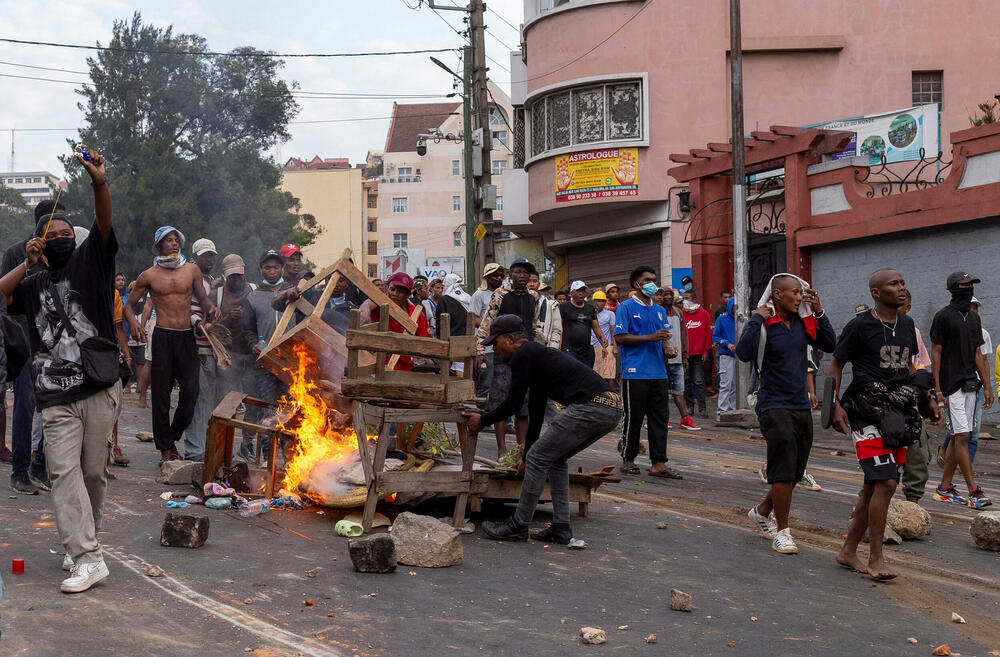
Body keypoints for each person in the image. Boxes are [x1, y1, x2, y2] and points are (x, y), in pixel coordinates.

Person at [0, 148, 124, 593]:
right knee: (62, 471)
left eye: (65, 231)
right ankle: (88, 557)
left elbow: (105, 225)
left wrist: (98, 182)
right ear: (38, 242)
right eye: (51, 234)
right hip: (54, 394)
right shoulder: (32, 283)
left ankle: (81, 544)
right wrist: (27, 263)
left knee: (93, 473)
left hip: (98, 386)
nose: (60, 236)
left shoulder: (92, 262)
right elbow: (1, 292)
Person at [467, 315, 621, 543]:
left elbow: (512, 403)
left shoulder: (523, 354)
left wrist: (483, 420)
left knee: (539, 457)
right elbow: (535, 411)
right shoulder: (537, 357)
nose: (495, 350)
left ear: (510, 339)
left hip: (591, 406)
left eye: (495, 343)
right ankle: (560, 527)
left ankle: (518, 525)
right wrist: (526, 456)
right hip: (612, 408)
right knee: (553, 459)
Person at [829, 269, 941, 579]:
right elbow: (837, 363)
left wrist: (926, 398)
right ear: (877, 293)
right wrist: (834, 404)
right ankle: (876, 557)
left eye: (903, 282)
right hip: (864, 412)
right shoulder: (860, 326)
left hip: (898, 415)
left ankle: (848, 551)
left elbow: (910, 367)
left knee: (872, 487)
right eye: (894, 284)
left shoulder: (907, 325)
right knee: (887, 483)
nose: (902, 288)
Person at [736, 274, 835, 555]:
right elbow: (743, 354)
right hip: (772, 404)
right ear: (777, 294)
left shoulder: (803, 324)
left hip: (800, 405)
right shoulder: (765, 324)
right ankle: (783, 532)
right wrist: (755, 318)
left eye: (801, 293)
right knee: (781, 469)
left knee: (793, 472)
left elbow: (830, 344)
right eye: (794, 292)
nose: (799, 297)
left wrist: (819, 311)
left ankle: (762, 511)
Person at [126, 227, 221, 464]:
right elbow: (128, 305)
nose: (174, 244)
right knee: (161, 395)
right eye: (168, 240)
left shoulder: (191, 270)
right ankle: (166, 449)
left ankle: (170, 436)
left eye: (177, 240)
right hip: (162, 337)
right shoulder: (148, 275)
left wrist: (211, 309)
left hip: (185, 337)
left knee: (190, 392)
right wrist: (135, 324)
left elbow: (203, 298)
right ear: (158, 246)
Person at [1, 200, 63, 493]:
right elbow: (5, 299)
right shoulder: (17, 252)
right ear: (41, 226)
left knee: (54, 404)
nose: (61, 233)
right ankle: (20, 471)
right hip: (26, 339)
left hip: (59, 341)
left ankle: (41, 467)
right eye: (55, 226)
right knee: (26, 404)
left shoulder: (65, 255)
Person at [930, 272, 994, 508]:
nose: (968, 288)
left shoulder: (975, 319)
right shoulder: (943, 317)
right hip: (951, 386)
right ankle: (974, 491)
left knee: (960, 437)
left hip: (971, 384)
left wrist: (987, 386)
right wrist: (937, 388)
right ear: (953, 289)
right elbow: (935, 352)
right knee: (963, 437)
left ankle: (944, 488)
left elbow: (979, 355)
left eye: (971, 285)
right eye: (964, 285)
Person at [614, 265, 680, 478]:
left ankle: (659, 463)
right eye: (648, 280)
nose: (653, 283)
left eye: (654, 279)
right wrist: (650, 338)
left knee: (660, 419)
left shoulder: (660, 311)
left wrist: (668, 349)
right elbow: (621, 338)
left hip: (659, 373)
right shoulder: (625, 307)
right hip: (635, 372)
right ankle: (628, 458)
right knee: (634, 418)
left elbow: (663, 339)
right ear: (636, 284)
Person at [476, 258, 542, 457]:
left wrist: (540, 349)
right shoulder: (500, 295)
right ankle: (502, 449)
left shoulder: (534, 296)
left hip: (527, 355)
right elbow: (487, 323)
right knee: (500, 402)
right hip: (503, 355)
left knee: (523, 405)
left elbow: (535, 325)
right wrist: (480, 351)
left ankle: (521, 450)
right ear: (511, 275)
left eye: (526, 273)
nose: (522, 276)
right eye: (518, 272)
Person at [239, 250, 291, 459]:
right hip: (264, 364)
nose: (272, 271)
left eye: (276, 267)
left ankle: (290, 457)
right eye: (267, 267)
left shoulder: (294, 292)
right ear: (261, 270)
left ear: (282, 269)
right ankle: (269, 458)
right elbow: (248, 329)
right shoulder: (253, 297)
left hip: (291, 363)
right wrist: (252, 344)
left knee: (290, 409)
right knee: (268, 410)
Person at [938, 296, 990, 465]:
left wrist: (987, 386)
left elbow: (983, 360)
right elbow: (939, 357)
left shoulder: (984, 334)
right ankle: (947, 457)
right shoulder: (951, 329)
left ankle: (965, 464)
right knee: (958, 431)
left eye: (976, 309)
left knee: (972, 431)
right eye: (971, 308)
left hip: (975, 386)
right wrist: (939, 389)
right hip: (956, 386)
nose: (974, 311)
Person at [215, 255, 257, 451]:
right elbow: (209, 327)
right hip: (228, 356)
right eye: (232, 276)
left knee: (254, 403)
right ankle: (223, 447)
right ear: (225, 276)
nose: (236, 279)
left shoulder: (255, 291)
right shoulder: (217, 294)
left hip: (251, 355)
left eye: (238, 275)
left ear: (244, 273)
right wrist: (227, 318)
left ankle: (247, 444)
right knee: (225, 402)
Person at [182, 237, 218, 462]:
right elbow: (184, 309)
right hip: (197, 347)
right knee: (199, 401)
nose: (209, 259)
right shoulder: (190, 279)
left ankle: (202, 448)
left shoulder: (211, 281)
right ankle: (195, 451)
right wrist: (198, 323)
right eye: (205, 255)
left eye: (212, 255)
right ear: (195, 257)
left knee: (207, 401)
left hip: (210, 349)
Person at [900, 290, 934, 503]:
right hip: (886, 408)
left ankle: (912, 507)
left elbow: (920, 370)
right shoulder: (874, 330)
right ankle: (865, 513)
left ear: (908, 308)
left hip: (912, 408)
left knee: (918, 459)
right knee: (882, 468)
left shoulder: (914, 332)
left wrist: (929, 399)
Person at [371, 272, 432, 370]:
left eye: (400, 291)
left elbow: (426, 344)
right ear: (387, 289)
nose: (394, 294)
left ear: (408, 295)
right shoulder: (379, 304)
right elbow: (370, 302)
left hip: (404, 369)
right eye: (392, 289)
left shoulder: (417, 315)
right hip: (376, 366)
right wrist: (365, 307)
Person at [659, 287, 700, 430]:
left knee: (679, 391)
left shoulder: (678, 312)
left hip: (677, 360)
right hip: (661, 359)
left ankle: (685, 419)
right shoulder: (657, 312)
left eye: (670, 294)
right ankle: (664, 419)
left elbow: (684, 336)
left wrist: (685, 356)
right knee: (662, 391)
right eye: (665, 294)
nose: (668, 297)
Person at [470, 263, 505, 404]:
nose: (500, 278)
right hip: (486, 347)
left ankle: (505, 422)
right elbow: (473, 317)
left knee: (502, 385)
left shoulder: (503, 295)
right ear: (488, 277)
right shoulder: (479, 295)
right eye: (496, 275)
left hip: (502, 346)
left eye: (502, 276)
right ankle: (481, 419)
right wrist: (492, 327)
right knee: (484, 386)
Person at [559, 280, 608, 367]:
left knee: (586, 377)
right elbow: (559, 329)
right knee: (572, 375)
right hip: (569, 350)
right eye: (578, 291)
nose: (581, 293)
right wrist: (559, 348)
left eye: (583, 291)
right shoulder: (564, 307)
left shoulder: (590, 308)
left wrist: (603, 343)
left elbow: (596, 328)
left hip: (586, 351)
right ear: (571, 293)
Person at [682, 290, 712, 418]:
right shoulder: (681, 314)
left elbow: (707, 333)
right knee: (686, 381)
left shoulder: (704, 314)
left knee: (698, 381)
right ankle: (689, 407)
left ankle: (702, 408)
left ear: (694, 299)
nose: (685, 301)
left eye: (687, 298)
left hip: (698, 354)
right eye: (684, 298)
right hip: (685, 354)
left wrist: (706, 351)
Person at [435, 273, 472, 374]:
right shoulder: (467, 297)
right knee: (464, 369)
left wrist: (440, 341)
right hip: (467, 339)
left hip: (450, 341)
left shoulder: (444, 299)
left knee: (454, 372)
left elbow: (440, 323)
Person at [712, 296, 738, 419]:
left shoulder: (741, 319)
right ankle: (721, 411)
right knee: (725, 383)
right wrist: (727, 344)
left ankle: (732, 410)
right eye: (734, 307)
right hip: (726, 354)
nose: (735, 309)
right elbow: (715, 336)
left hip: (739, 355)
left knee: (735, 385)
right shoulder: (722, 319)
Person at [529, 271, 562, 350]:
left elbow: (556, 329)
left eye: (535, 281)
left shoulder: (552, 305)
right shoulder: (518, 301)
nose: (532, 284)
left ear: (539, 284)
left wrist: (553, 347)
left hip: (547, 347)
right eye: (529, 281)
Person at [591, 291, 617, 386]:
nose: (601, 303)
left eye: (603, 301)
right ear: (593, 301)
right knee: (596, 375)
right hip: (592, 347)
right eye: (598, 301)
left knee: (609, 375)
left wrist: (614, 347)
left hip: (607, 347)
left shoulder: (610, 314)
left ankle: (612, 397)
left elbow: (613, 331)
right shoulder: (589, 313)